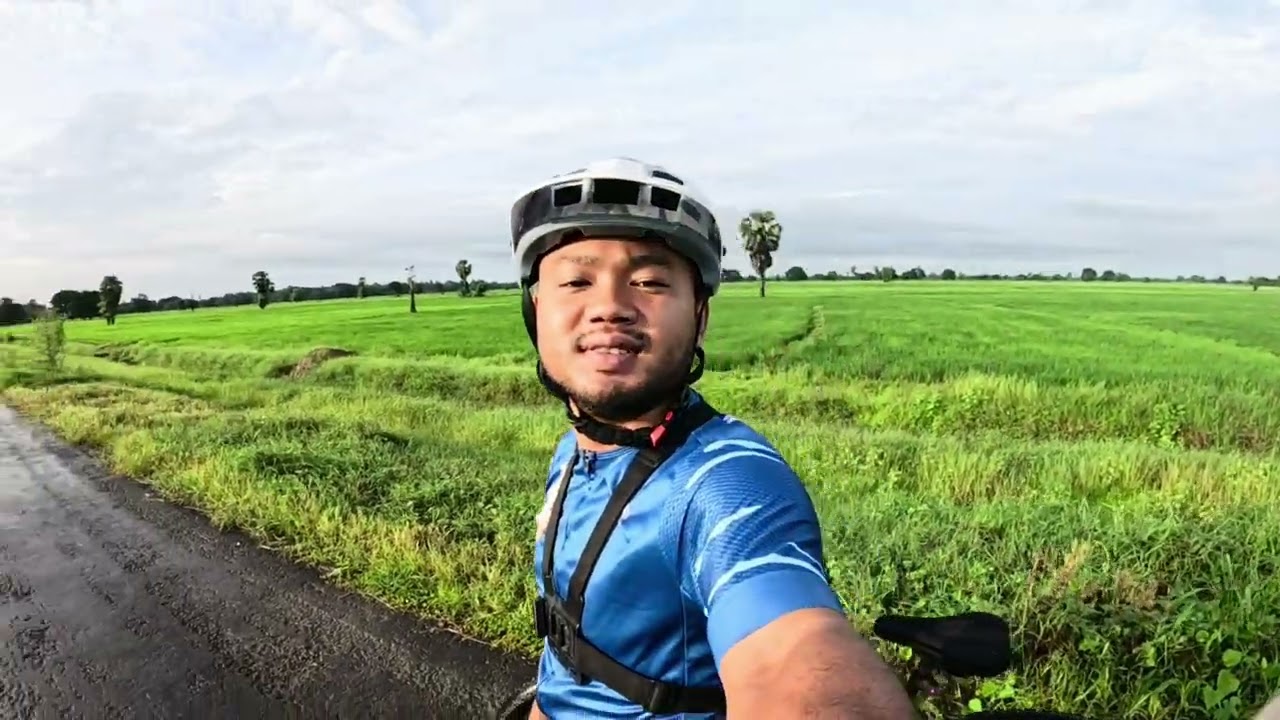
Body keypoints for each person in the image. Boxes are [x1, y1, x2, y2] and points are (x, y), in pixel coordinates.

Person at [510, 157, 918, 719]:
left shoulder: (724, 482)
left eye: (650, 282)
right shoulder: (576, 450)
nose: (608, 307)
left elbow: (796, 659)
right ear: (536, 312)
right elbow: (569, 659)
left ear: (699, 317)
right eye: (576, 281)